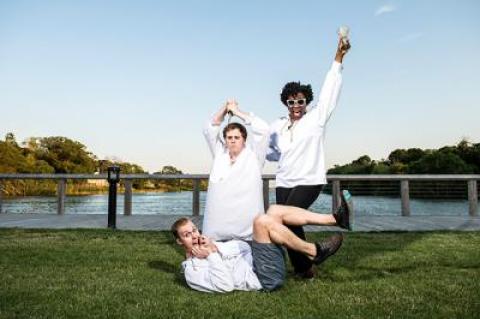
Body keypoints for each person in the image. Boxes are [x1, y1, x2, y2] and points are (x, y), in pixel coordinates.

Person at [266, 37, 351, 278]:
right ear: (286, 102)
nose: (296, 105)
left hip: (309, 178)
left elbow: (330, 92)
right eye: (291, 101)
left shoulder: (316, 118)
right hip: (284, 180)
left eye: (300, 101)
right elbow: (270, 151)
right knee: (288, 223)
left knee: (288, 217)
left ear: (307, 102)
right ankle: (305, 269)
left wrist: (338, 59)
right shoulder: (278, 126)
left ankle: (318, 248)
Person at [171, 191, 352, 293]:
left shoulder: (210, 245)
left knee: (274, 210)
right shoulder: (193, 271)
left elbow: (243, 246)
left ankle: (336, 219)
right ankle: (313, 251)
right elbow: (224, 286)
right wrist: (211, 256)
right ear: (179, 242)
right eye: (187, 235)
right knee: (261, 221)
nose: (194, 236)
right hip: (264, 277)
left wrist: (216, 246)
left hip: (262, 259)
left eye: (194, 230)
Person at [202, 99, 270, 241]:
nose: (232, 140)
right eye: (229, 137)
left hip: (247, 229)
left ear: (244, 139)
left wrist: (237, 112)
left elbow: (263, 129)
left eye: (237, 137)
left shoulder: (254, 155)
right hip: (217, 228)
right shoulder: (220, 152)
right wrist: (225, 108)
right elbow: (210, 128)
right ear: (225, 140)